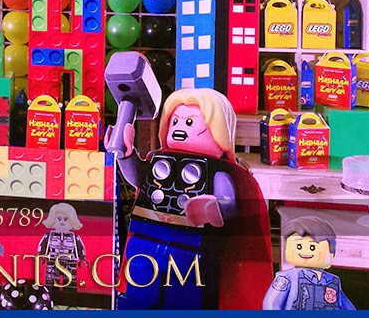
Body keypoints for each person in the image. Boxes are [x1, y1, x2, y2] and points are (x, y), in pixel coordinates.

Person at [106, 86, 272, 309]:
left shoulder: (222, 171)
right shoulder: (158, 160)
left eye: (190, 122)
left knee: (185, 293)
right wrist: (126, 155)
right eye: (175, 121)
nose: (180, 128)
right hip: (145, 242)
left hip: (192, 251)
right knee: (138, 291)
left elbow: (229, 203)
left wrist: (211, 208)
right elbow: (139, 178)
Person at [264, 216, 356, 310]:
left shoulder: (333, 282)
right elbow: (271, 303)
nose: (305, 251)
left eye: (312, 247)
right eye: (299, 246)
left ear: (331, 252)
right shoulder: (287, 278)